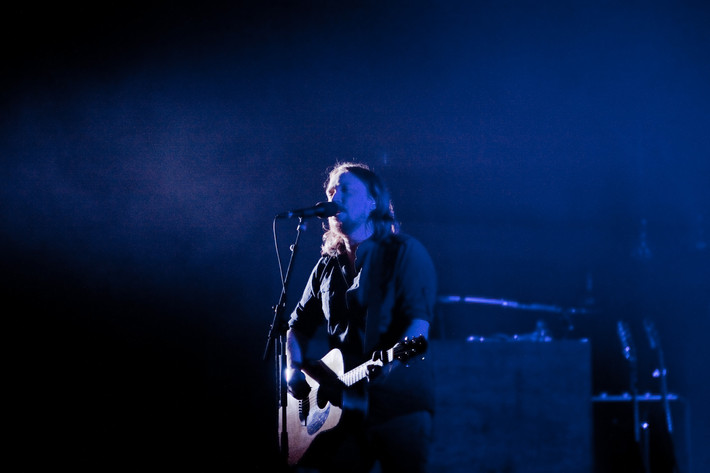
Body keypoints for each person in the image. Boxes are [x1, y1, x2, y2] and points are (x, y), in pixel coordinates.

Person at [284, 162, 437, 473]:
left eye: (345, 189)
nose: (334, 195)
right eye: (330, 190)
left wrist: (391, 361)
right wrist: (293, 368)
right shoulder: (325, 267)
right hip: (342, 413)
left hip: (398, 406)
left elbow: (418, 325)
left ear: (372, 202)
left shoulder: (403, 252)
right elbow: (296, 327)